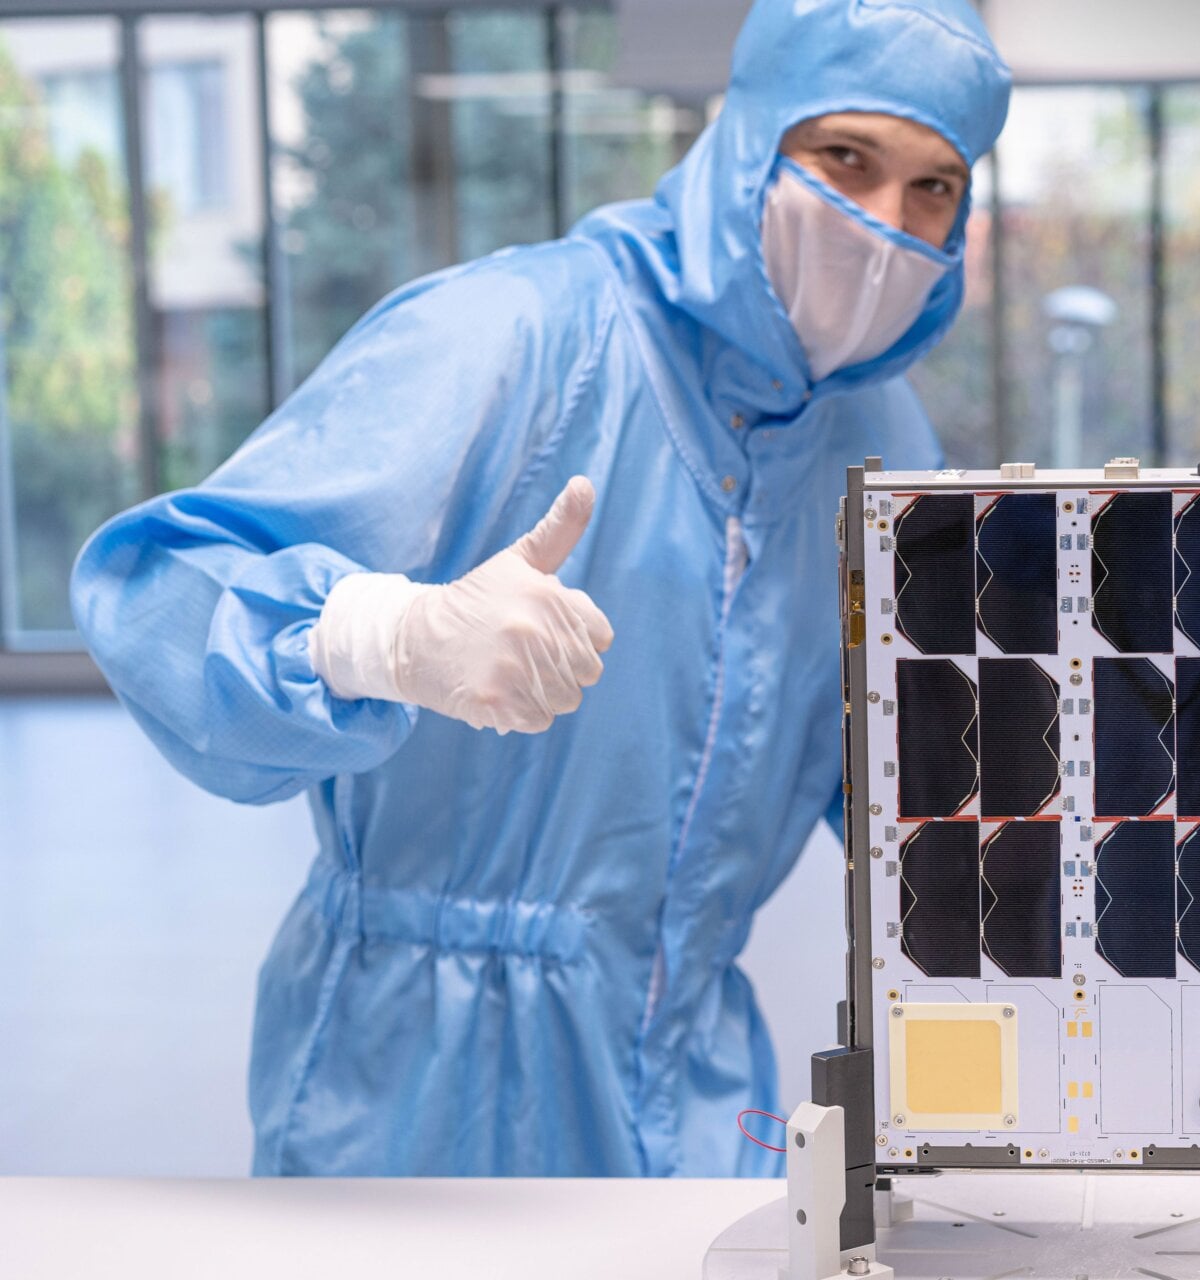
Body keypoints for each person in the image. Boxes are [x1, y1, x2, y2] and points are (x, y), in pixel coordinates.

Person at [69, 0, 1010, 1176]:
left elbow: (917, 784)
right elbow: (157, 586)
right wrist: (385, 634)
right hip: (414, 1091)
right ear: (750, 134)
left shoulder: (882, 443)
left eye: (934, 187)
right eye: (846, 159)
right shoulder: (514, 333)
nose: (885, 227)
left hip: (699, 1097)